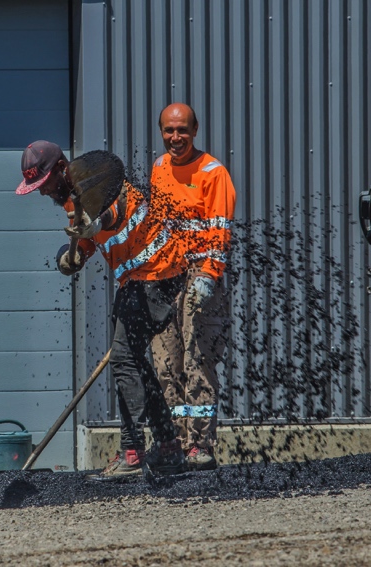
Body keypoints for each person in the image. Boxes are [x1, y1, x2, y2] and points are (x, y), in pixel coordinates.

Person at [15, 141, 187, 479]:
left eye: (43, 183)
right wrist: (71, 254)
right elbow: (90, 240)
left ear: (61, 167)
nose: (41, 192)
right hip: (140, 279)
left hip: (157, 272)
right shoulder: (71, 198)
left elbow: (117, 208)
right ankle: (167, 446)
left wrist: (95, 225)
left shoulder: (95, 174)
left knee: (124, 359)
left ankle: (132, 451)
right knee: (134, 360)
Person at [148, 103, 236, 471]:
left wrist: (208, 276)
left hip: (201, 277)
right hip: (165, 278)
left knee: (198, 361)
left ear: (195, 130)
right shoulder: (158, 169)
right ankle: (173, 442)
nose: (175, 137)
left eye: (182, 130)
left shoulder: (213, 173)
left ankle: (199, 445)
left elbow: (218, 232)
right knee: (167, 363)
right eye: (169, 130)